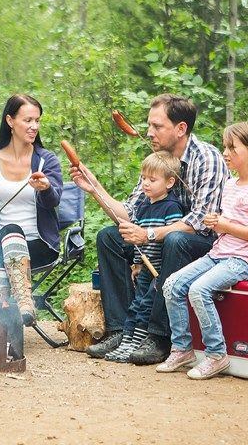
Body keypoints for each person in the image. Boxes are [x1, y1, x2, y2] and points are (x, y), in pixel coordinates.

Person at [70, 94, 228, 363]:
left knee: (175, 239)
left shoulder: (207, 159)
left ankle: (158, 335)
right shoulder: (157, 161)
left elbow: (201, 221)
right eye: (148, 125)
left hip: (202, 247)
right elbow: (128, 214)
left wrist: (149, 235)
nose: (149, 132)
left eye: (157, 126)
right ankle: (122, 329)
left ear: (181, 129)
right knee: (109, 236)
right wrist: (93, 186)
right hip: (160, 242)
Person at [157, 121, 248, 379]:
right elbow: (226, 223)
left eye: (232, 147)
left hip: (242, 260)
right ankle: (182, 349)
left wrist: (225, 225)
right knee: (172, 285)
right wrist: (216, 222)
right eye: (225, 146)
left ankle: (216, 354)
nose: (225, 153)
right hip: (218, 254)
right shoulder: (230, 185)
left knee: (199, 290)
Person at [0, 94, 63, 326]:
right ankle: (21, 304)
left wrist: (45, 188)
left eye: (37, 120)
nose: (34, 126)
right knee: (8, 233)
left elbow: (54, 201)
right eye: (28, 120)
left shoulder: (46, 161)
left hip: (39, 245)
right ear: (10, 121)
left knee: (10, 234)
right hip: (0, 245)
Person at [103, 151, 184, 362]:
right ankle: (127, 343)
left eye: (152, 180)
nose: (145, 184)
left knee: (147, 305)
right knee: (137, 304)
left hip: (160, 268)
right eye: (144, 178)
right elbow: (138, 241)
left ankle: (138, 344)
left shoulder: (171, 207)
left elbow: (171, 239)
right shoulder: (144, 206)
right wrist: (137, 264)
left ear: (170, 182)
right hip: (146, 267)